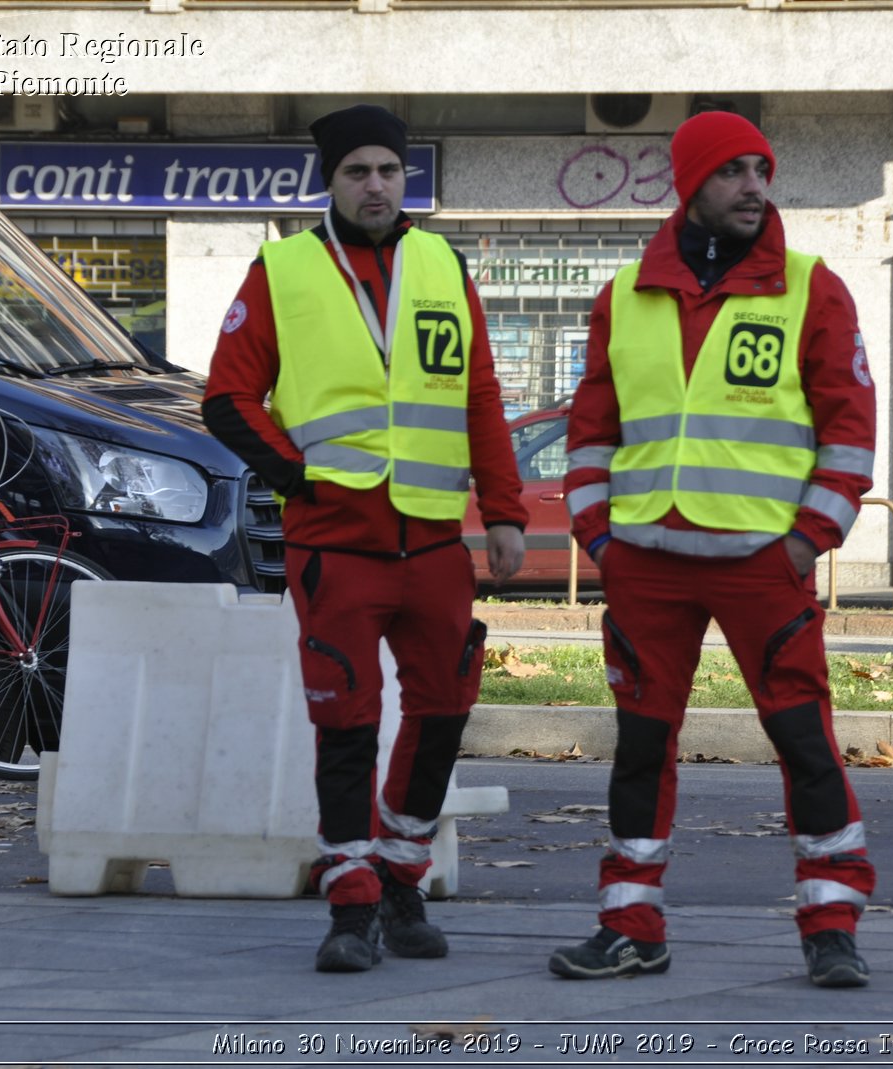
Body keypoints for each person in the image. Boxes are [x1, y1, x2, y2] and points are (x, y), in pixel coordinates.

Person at [549, 111, 879, 989]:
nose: (754, 186)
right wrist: (599, 536)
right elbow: (591, 433)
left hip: (762, 562)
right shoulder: (624, 295)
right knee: (639, 750)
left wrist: (811, 538)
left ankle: (831, 921)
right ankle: (629, 923)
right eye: (732, 171)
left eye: (761, 169)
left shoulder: (814, 288)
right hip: (647, 561)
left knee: (804, 740)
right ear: (690, 184)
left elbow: (850, 430)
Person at [202, 104, 526, 974]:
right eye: (358, 171)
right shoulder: (283, 269)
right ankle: (349, 901)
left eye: (388, 168)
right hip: (334, 547)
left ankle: (401, 877)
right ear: (331, 180)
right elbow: (228, 399)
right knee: (345, 723)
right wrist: (301, 479)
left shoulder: (443, 263)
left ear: (404, 176)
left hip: (432, 545)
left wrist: (504, 513)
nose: (376, 184)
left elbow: (481, 398)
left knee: (445, 709)